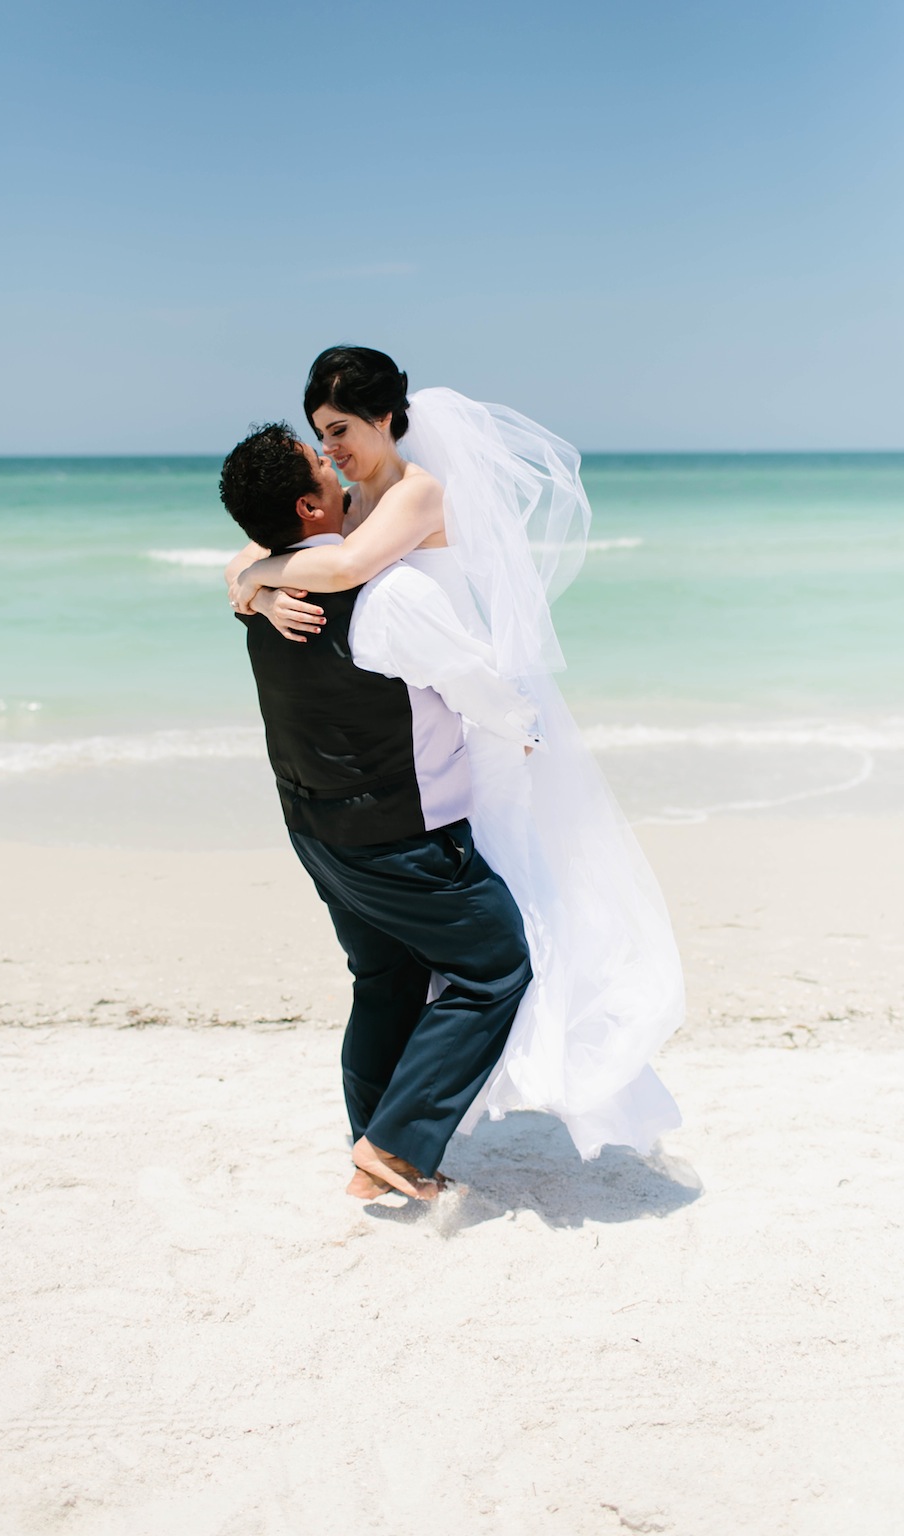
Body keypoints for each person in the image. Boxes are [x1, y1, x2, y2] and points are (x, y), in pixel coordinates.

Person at [228, 348, 685, 1160]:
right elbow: (292, 550)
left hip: (468, 714)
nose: (331, 447)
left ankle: (467, 1096)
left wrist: (259, 575)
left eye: (340, 429)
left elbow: (342, 564)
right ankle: (398, 1133)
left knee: (508, 897)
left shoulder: (415, 493)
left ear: (385, 419)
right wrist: (255, 579)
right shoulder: (354, 498)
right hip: (423, 710)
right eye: (319, 436)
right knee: (443, 947)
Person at [219, 420, 541, 1201]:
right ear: (307, 506)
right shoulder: (390, 592)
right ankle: (395, 1147)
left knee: (385, 976)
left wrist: (252, 581)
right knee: (494, 968)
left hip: (314, 827)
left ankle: (374, 1146)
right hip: (401, 834)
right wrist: (527, 729)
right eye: (317, 465)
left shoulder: (264, 592)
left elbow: (245, 575)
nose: (333, 463)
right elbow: (470, 681)